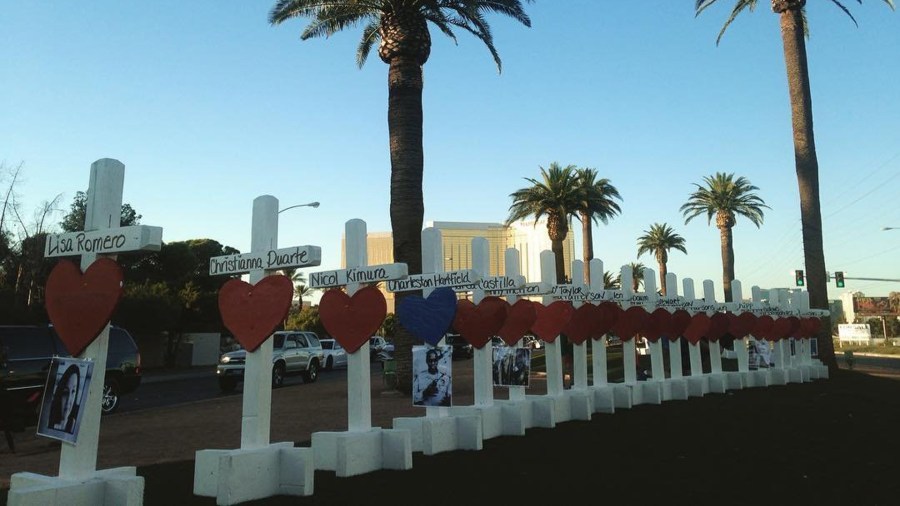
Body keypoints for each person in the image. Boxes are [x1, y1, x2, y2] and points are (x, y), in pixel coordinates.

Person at [47, 363, 81, 434]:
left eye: (73, 391)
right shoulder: (48, 419)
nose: (69, 401)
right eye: (65, 393)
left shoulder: (76, 423)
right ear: (59, 394)